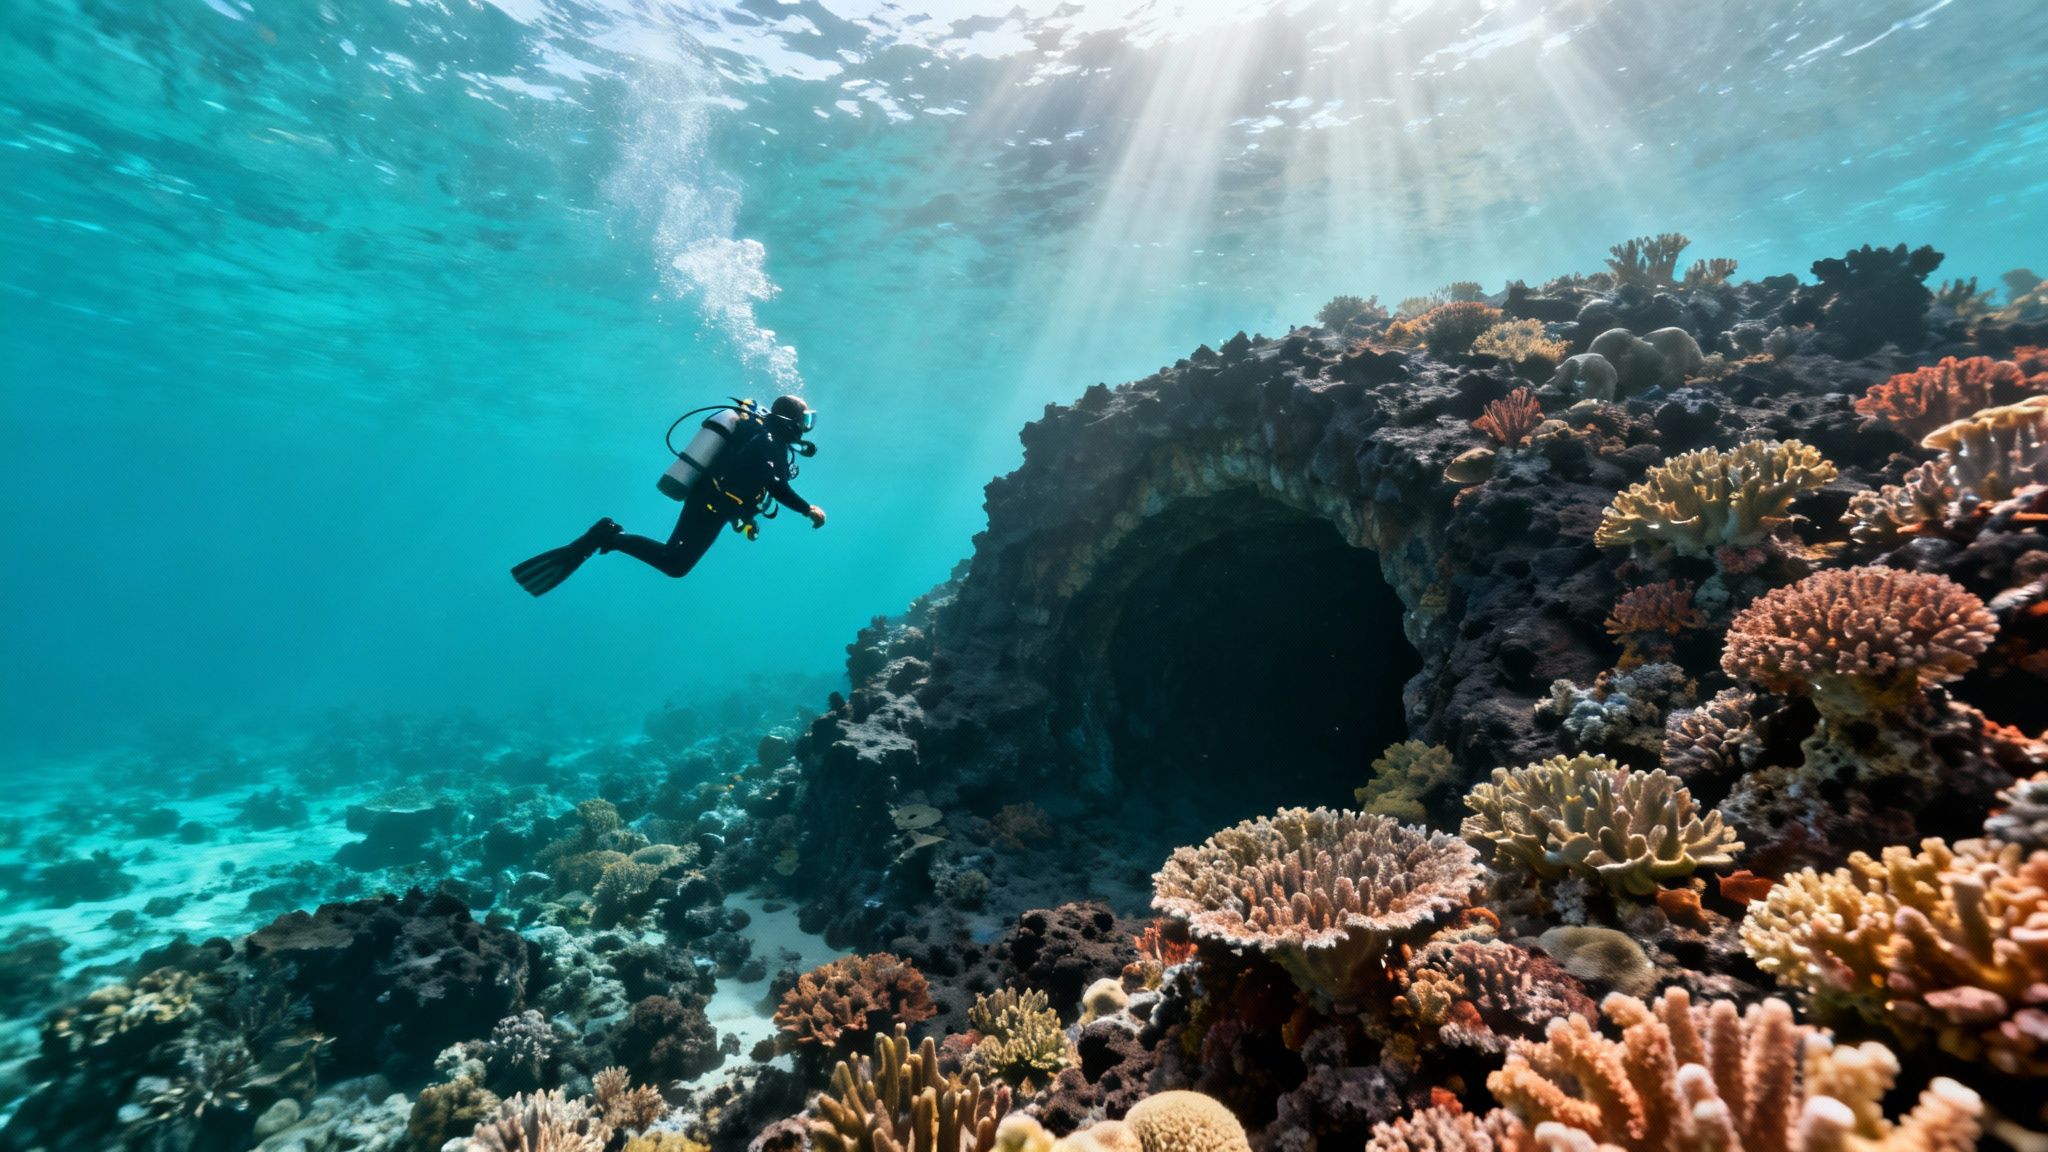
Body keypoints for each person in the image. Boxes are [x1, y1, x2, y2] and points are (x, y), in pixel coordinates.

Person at [511, 394, 826, 597]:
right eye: (806, 421)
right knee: (675, 563)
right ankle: (609, 535)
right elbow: (773, 482)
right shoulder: (769, 440)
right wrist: (806, 508)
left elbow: (747, 481)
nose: (806, 428)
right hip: (709, 503)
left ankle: (610, 537)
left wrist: (744, 520)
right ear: (794, 421)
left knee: (676, 563)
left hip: (714, 504)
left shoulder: (765, 437)